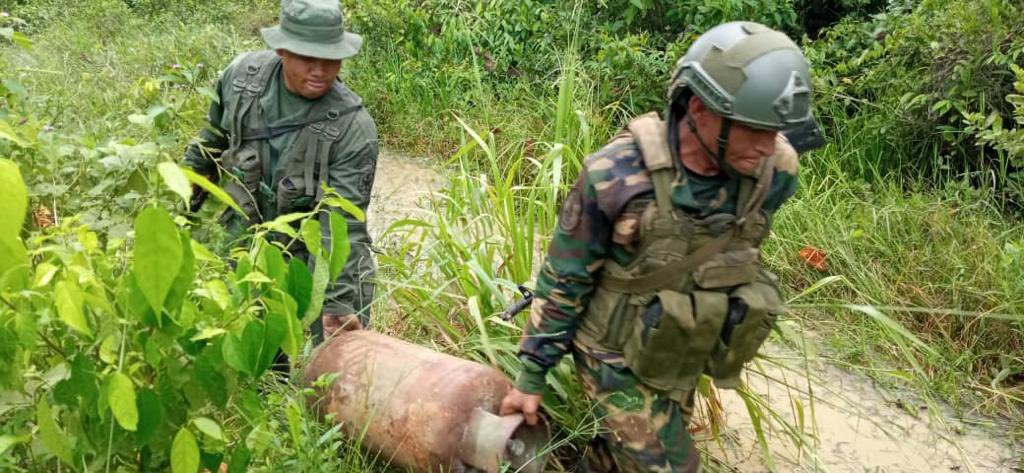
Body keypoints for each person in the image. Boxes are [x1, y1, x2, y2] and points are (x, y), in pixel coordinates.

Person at [500, 22, 813, 472]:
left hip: (680, 343)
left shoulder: (775, 171)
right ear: (700, 109)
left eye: (777, 131)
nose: (769, 146)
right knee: (667, 465)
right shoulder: (616, 175)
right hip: (611, 354)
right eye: (755, 130)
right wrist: (531, 376)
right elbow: (564, 280)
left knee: (624, 455)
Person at [184, 0, 377, 341]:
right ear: (282, 50)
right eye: (307, 58)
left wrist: (336, 305)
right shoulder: (241, 79)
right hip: (246, 242)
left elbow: (342, 225)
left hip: (312, 259)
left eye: (330, 59)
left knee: (327, 364)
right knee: (248, 347)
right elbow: (210, 143)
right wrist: (178, 208)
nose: (320, 70)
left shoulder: (353, 128)